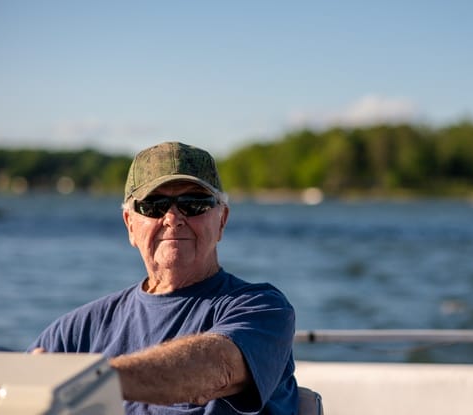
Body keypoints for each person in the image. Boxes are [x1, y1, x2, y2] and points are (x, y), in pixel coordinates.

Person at [28, 141, 299, 414]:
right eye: (153, 205)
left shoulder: (264, 309)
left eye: (193, 204)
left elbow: (218, 367)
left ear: (222, 220)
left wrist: (89, 379)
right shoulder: (74, 334)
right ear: (129, 224)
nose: (173, 218)